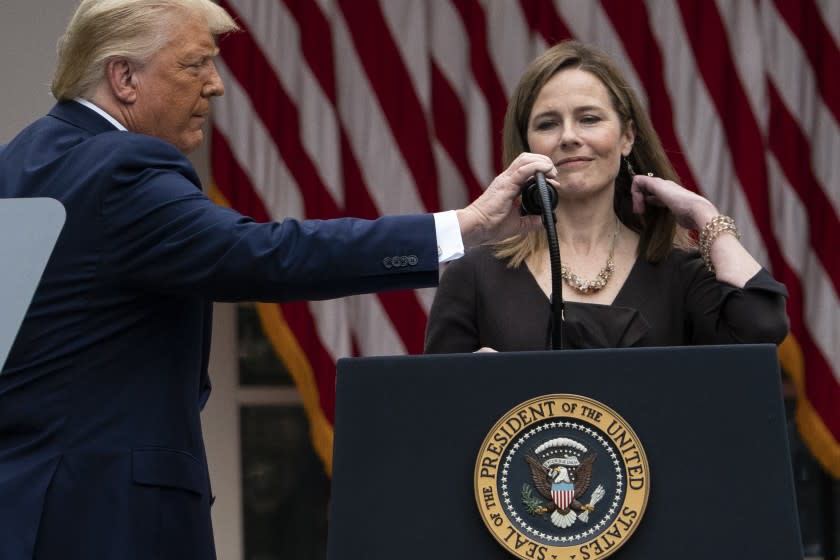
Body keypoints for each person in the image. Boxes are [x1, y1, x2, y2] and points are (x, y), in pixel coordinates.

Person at [0, 1, 557, 558]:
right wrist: (466, 226)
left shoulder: (23, 158)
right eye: (196, 65)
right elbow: (265, 254)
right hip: (106, 518)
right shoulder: (120, 170)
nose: (215, 86)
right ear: (124, 77)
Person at [425, 40, 789, 354]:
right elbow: (436, 419)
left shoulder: (678, 273)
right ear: (527, 146)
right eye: (548, 123)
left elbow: (761, 326)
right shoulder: (473, 278)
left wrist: (705, 215)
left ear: (627, 137)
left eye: (589, 119)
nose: (568, 137)